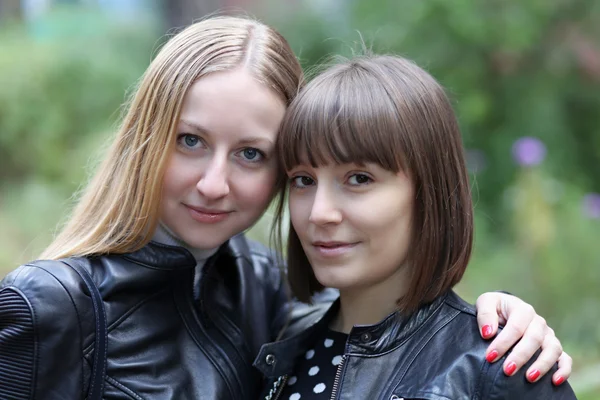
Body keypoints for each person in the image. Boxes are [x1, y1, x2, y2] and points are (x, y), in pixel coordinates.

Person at [0, 16, 570, 400]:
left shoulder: (264, 291)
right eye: (190, 140)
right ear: (144, 138)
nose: (214, 184)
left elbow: (393, 327)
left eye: (251, 153)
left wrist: (499, 320)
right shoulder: (49, 305)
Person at [254, 54, 577, 399]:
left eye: (359, 178)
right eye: (303, 179)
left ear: (429, 193)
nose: (319, 213)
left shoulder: (500, 365)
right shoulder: (279, 354)